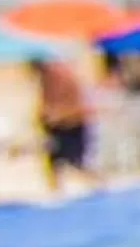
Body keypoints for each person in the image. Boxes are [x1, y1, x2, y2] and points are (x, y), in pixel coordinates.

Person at [30, 53, 98, 194]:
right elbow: (47, 104)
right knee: (56, 162)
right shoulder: (46, 79)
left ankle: (97, 184)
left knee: (76, 162)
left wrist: (58, 114)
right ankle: (57, 191)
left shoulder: (61, 78)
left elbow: (76, 105)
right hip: (58, 126)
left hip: (71, 124)